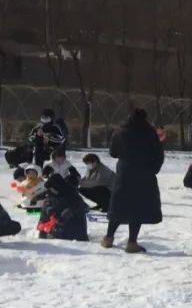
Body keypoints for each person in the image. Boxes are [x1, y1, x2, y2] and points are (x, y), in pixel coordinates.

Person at [103, 108, 164, 254]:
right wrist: (153, 169)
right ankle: (132, 242)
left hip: (125, 172)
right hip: (144, 174)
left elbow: (113, 152)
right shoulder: (150, 133)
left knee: (119, 205)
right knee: (138, 208)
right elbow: (159, 154)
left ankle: (108, 238)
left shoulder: (121, 131)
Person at [36, 174, 89, 241]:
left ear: (58, 186)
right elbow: (44, 213)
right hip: (56, 227)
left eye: (52, 188)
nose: (51, 190)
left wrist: (69, 211)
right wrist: (48, 209)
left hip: (74, 230)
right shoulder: (51, 195)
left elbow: (82, 207)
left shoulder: (71, 193)